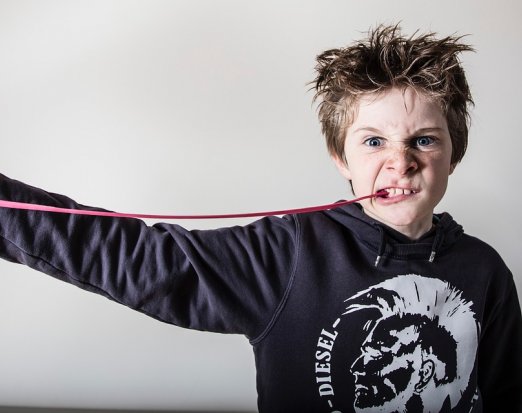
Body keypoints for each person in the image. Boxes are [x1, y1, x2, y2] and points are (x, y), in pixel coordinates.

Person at [0, 24, 521, 413]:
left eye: (424, 140)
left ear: (454, 154)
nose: (400, 161)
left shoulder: (486, 271)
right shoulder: (287, 253)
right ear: (340, 157)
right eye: (373, 141)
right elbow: (136, 259)